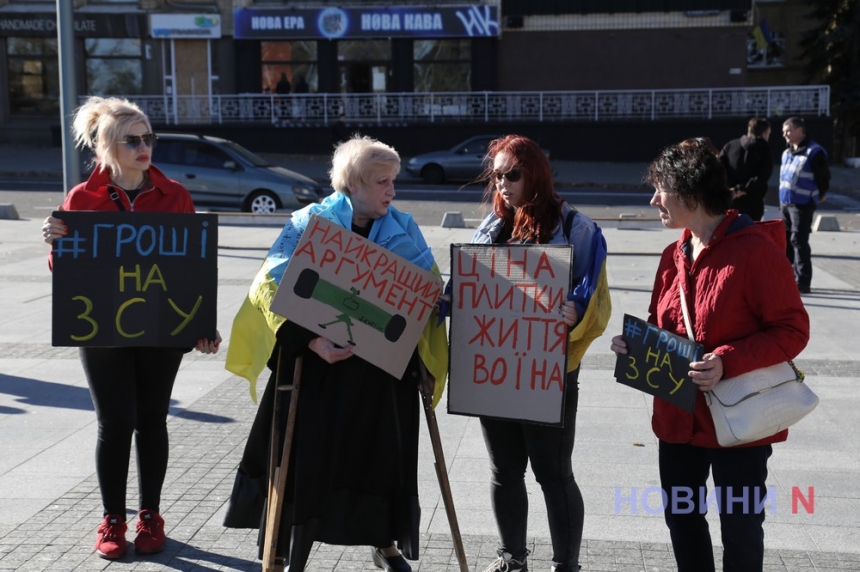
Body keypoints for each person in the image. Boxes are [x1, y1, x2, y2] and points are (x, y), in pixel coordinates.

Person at [222, 135, 448, 572]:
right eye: (382, 181)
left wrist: (439, 309)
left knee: (379, 462)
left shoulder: (404, 228)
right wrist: (309, 340)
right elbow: (270, 284)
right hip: (318, 370)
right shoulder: (310, 222)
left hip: (380, 376)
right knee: (307, 462)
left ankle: (383, 544)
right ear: (354, 184)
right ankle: (283, 550)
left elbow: (425, 289)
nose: (392, 190)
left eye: (393, 180)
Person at [610, 138, 810, 572]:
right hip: (677, 420)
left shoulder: (755, 251)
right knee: (682, 521)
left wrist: (726, 360)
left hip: (739, 423)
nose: (652, 199)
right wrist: (635, 347)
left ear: (690, 192)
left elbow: (793, 330)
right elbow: (662, 323)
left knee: (740, 529)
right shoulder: (673, 254)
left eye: (660, 188)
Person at [40, 96, 222, 560]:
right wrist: (56, 241)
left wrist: (202, 323)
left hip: (161, 326)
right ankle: (112, 519)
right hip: (102, 327)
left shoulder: (175, 194)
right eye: (133, 140)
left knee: (151, 420)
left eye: (148, 138)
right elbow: (66, 271)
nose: (145, 147)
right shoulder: (82, 198)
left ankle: (151, 515)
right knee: (114, 423)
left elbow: (191, 265)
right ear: (107, 147)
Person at [471, 135, 611, 572]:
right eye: (497, 176)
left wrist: (576, 310)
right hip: (495, 369)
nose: (504, 184)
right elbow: (465, 287)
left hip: (548, 371)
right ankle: (512, 559)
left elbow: (596, 301)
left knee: (553, 474)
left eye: (512, 174)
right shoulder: (492, 227)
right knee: (504, 472)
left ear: (536, 173)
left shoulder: (577, 229)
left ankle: (566, 566)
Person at [779, 116, 831, 294]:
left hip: (802, 204)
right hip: (786, 203)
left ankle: (803, 281)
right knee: (786, 242)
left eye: (788, 130)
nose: (784, 134)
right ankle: (787, 278)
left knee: (799, 241)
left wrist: (821, 194)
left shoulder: (814, 152)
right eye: (783, 131)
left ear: (800, 130)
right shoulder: (787, 152)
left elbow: (823, 177)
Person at [718, 117, 774, 221]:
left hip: (730, 199)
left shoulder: (730, 145)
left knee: (728, 232)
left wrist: (733, 189)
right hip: (754, 201)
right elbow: (763, 176)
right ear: (765, 133)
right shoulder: (764, 150)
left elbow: (719, 169)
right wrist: (743, 188)